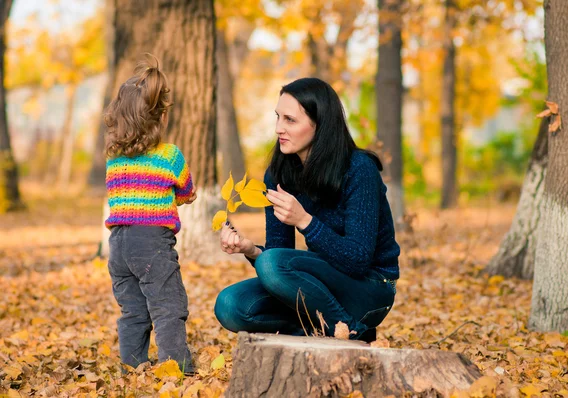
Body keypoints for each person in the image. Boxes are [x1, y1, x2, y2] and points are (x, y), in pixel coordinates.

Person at [214, 77, 400, 341]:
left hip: (371, 289)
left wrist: (304, 220)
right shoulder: (279, 174)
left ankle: (350, 329)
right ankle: (325, 328)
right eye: (278, 117)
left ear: (320, 124)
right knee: (230, 304)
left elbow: (358, 260)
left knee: (271, 263)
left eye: (290, 120)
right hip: (321, 290)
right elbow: (280, 258)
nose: (279, 128)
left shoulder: (359, 170)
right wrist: (250, 249)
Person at [104, 55, 196, 372]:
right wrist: (183, 196)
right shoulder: (170, 155)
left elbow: (119, 196)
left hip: (118, 244)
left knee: (133, 310)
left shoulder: (114, 160)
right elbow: (185, 190)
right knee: (168, 305)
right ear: (161, 116)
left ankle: (131, 367)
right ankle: (177, 367)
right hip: (152, 244)